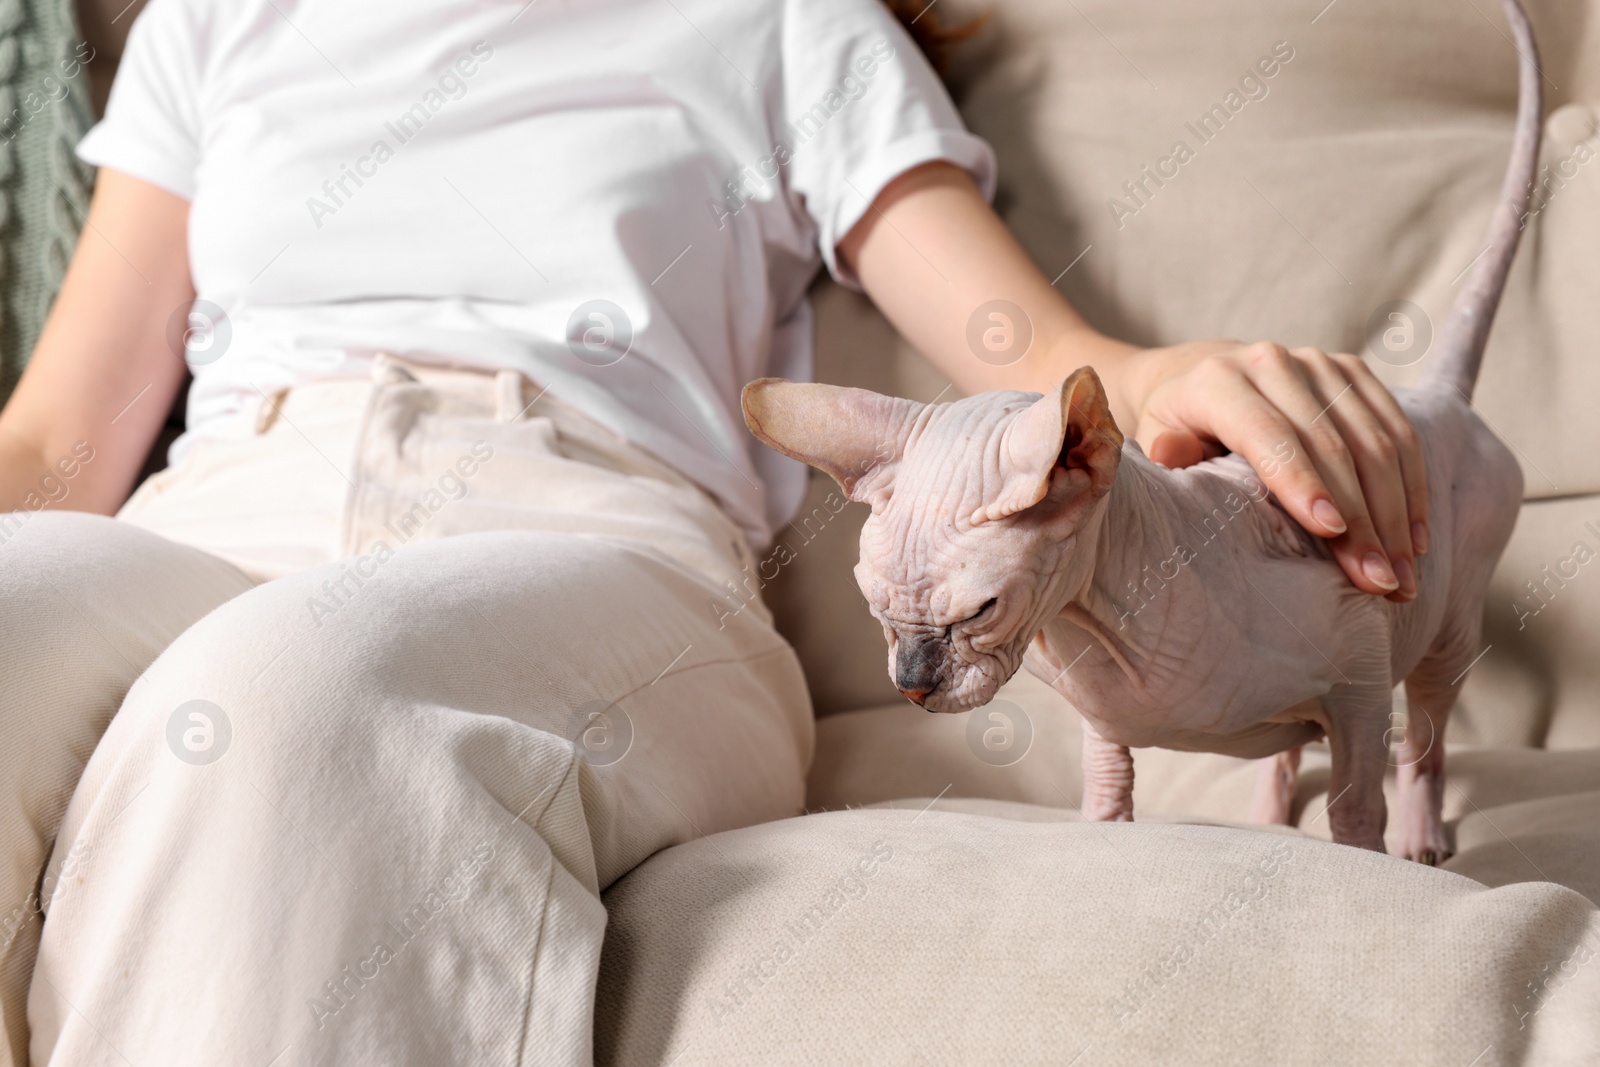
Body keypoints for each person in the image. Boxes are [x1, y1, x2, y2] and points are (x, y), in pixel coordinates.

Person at [0, 0, 1428, 1062]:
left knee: (288, 700)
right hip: (213, 513)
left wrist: (1170, 383)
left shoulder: (780, 17)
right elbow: (54, 447)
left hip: (577, 534)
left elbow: (1029, 344)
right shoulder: (225, 14)